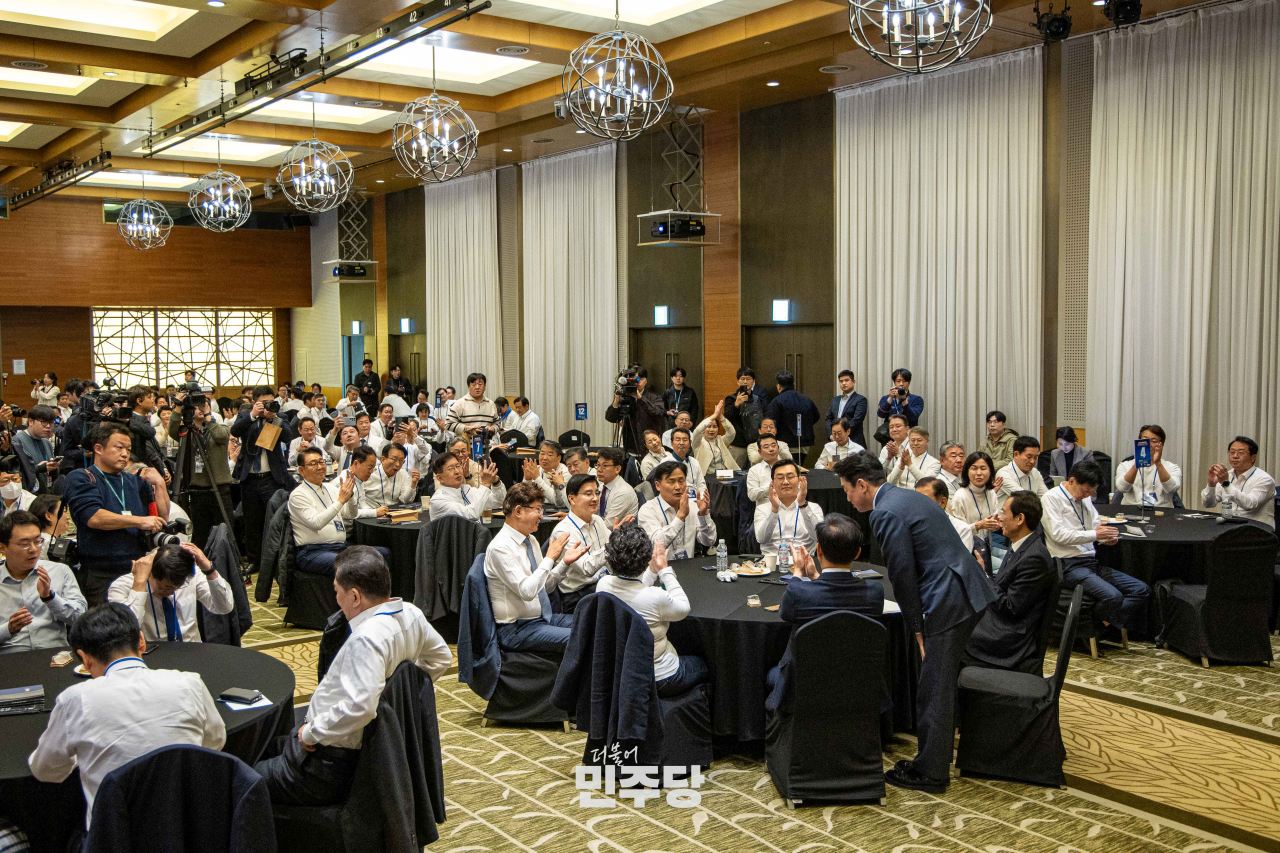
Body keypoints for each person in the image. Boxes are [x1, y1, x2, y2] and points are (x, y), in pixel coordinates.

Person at [834, 452, 994, 793]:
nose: (847, 498)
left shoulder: (884, 512)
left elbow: (902, 573)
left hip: (948, 599)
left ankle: (931, 772)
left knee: (934, 686)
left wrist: (916, 627)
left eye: (847, 490)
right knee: (940, 681)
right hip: (965, 588)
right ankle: (937, 757)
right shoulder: (906, 496)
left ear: (861, 485)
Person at [255, 546, 451, 806]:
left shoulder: (366, 638)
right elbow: (442, 658)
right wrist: (399, 697)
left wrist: (312, 733)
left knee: (243, 778)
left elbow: (361, 707)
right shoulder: (411, 613)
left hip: (327, 765)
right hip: (347, 746)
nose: (336, 599)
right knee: (266, 745)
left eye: (337, 591)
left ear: (355, 596)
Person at [29, 604, 226, 830]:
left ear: (85, 659)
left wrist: (80, 755)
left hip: (115, 836)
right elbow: (215, 742)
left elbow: (45, 770)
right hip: (191, 827)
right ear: (141, 641)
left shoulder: (75, 699)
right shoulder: (190, 682)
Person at [764, 513, 883, 711]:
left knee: (770, 673)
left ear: (818, 550)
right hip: (858, 683)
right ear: (857, 553)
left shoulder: (799, 593)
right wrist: (816, 576)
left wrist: (798, 573)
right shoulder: (874, 592)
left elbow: (785, 612)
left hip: (804, 684)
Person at [62, 424, 170, 604]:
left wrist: (159, 484)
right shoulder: (82, 477)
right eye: (119, 447)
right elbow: (94, 517)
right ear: (98, 448)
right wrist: (139, 521)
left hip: (136, 568)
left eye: (128, 449)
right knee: (108, 620)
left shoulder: (135, 481)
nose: (125, 454)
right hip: (101, 572)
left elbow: (161, 518)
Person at [597, 526, 706, 696]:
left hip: (620, 673)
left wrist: (653, 571)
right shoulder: (656, 597)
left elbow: (633, 588)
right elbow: (684, 608)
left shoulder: (603, 585)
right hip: (660, 677)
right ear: (646, 557)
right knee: (704, 664)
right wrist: (664, 570)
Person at [1043, 462, 1149, 632]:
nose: (1088, 495)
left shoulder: (1085, 499)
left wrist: (1106, 539)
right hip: (1068, 565)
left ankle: (1099, 623)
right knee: (1113, 597)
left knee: (1141, 590)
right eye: (1085, 491)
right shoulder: (1051, 498)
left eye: (1092, 492)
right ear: (1072, 481)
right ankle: (1093, 628)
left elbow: (1095, 525)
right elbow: (1058, 535)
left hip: (1091, 563)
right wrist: (1095, 535)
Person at [965, 491, 1057, 674]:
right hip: (999, 621)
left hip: (1010, 637)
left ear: (1019, 519)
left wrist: (983, 575)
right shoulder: (1020, 545)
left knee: (951, 638)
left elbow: (1011, 608)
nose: (999, 517)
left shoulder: (1034, 557)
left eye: (1003, 512)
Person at [485, 482, 581, 651]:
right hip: (517, 629)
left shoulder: (530, 540)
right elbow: (527, 592)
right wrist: (549, 558)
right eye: (538, 509)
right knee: (582, 638)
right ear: (518, 511)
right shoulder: (500, 547)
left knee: (594, 624)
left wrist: (565, 563)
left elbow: (544, 587)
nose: (541, 516)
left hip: (542, 617)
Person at [106, 543, 234, 644]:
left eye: (178, 587)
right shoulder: (122, 586)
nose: (172, 592)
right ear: (151, 573)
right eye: (166, 587)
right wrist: (139, 583)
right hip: (152, 657)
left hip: (192, 651)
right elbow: (125, 632)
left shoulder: (190, 576)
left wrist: (209, 569)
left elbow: (224, 607)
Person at [0, 510, 86, 653]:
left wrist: (50, 598)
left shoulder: (60, 571)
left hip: (54, 654)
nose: (33, 549)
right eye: (24, 544)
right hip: (9, 657)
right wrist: (8, 629)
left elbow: (81, 618)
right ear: (3, 548)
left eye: (38, 541)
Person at [230, 386, 293, 572]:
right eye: (264, 402)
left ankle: (275, 561)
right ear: (254, 402)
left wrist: (272, 418)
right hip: (249, 478)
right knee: (251, 521)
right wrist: (253, 415)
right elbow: (235, 430)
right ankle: (254, 560)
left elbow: (288, 436)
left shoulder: (279, 416)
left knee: (274, 520)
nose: (268, 405)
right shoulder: (245, 415)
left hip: (271, 478)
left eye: (271, 402)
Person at [167, 394, 233, 548]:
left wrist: (208, 416)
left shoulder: (219, 427)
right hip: (197, 488)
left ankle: (226, 558)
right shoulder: (187, 431)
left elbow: (221, 436)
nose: (200, 409)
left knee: (225, 529)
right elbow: (172, 430)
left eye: (203, 405)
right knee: (200, 531)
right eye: (196, 406)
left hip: (219, 486)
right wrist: (178, 407)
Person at [290, 447, 361, 575]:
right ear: (301, 470)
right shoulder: (298, 495)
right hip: (313, 551)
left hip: (340, 547)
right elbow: (316, 523)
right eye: (313, 463)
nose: (319, 467)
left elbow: (351, 514)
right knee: (352, 565)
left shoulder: (330, 488)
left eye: (321, 462)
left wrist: (350, 497)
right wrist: (340, 501)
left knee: (381, 553)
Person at [548, 474, 615, 611]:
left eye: (597, 493)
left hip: (602, 583)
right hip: (578, 595)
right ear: (572, 499)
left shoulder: (597, 520)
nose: (595, 498)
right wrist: (615, 543)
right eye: (588, 494)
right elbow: (587, 569)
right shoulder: (563, 532)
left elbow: (612, 551)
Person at [637, 461, 715, 560]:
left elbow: (709, 541)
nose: (678, 487)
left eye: (681, 481)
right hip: (660, 568)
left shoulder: (692, 505)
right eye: (671, 481)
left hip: (688, 566)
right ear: (658, 485)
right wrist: (680, 517)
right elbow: (656, 544)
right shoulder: (648, 510)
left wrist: (703, 515)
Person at [1201, 435, 1275, 528]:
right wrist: (1211, 485)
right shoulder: (1227, 475)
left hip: (1257, 529)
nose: (1235, 456)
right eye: (1232, 452)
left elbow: (1250, 504)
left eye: (1241, 453)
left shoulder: (1264, 479)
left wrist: (1226, 484)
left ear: (1253, 457)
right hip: (1230, 527)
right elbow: (1208, 504)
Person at [754, 460, 823, 557]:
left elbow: (819, 537)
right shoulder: (762, 509)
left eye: (790, 477)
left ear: (800, 480)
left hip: (805, 561)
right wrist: (774, 510)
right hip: (773, 561)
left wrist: (802, 504)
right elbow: (761, 539)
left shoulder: (813, 508)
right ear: (773, 483)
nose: (785, 482)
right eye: (780, 478)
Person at [1114, 424, 1182, 508]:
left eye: (1154, 441)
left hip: (1161, 511)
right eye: (1144, 440)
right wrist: (1137, 463)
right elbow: (1122, 488)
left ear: (1161, 445)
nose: (1148, 444)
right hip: (1131, 511)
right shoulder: (1125, 465)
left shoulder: (1172, 467)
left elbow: (1172, 489)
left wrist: (1158, 463)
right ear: (1138, 442)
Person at [605, 366, 666, 456]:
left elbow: (659, 413)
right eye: (633, 380)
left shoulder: (654, 397)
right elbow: (611, 418)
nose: (637, 382)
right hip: (630, 447)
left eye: (640, 379)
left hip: (649, 447)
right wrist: (616, 400)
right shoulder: (625, 398)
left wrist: (640, 398)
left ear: (646, 381)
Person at [428, 452, 503, 521]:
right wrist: (485, 484)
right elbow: (470, 515)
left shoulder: (467, 489)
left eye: (458, 466)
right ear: (440, 478)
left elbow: (497, 501)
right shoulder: (438, 500)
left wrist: (495, 481)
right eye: (450, 469)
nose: (457, 471)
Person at [947, 451, 1002, 544]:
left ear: (990, 471)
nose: (979, 473)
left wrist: (996, 524)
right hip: (966, 546)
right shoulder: (960, 496)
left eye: (983, 468)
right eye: (974, 468)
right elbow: (958, 531)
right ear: (967, 471)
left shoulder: (991, 493)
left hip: (988, 545)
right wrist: (978, 525)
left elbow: (994, 523)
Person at [766, 370, 821, 459]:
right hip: (805, 442)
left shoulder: (777, 401)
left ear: (778, 386)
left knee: (787, 466)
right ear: (793, 384)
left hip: (786, 442)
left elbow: (770, 422)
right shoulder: (806, 399)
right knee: (798, 465)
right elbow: (816, 416)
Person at [722, 367, 768, 466]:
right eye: (742, 379)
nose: (745, 382)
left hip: (755, 443)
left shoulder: (758, 399)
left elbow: (764, 417)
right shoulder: (731, 398)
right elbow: (727, 418)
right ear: (738, 382)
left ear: (753, 381)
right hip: (738, 443)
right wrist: (736, 405)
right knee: (735, 470)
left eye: (748, 379)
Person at [915, 477, 974, 552]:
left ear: (943, 502)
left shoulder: (962, 530)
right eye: (915, 499)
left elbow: (961, 559)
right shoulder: (910, 526)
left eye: (924, 500)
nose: (918, 504)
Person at [11, 405, 58, 493]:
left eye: (51, 422)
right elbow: (15, 474)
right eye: (44, 422)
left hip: (46, 492)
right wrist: (38, 469)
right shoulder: (17, 442)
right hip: (27, 495)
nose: (48, 426)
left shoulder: (46, 442)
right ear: (31, 421)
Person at [593, 448, 638, 527]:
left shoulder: (624, 492)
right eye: (598, 465)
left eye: (605, 466)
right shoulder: (601, 486)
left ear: (617, 469)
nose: (599, 470)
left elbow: (608, 525)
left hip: (617, 533)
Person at [447, 373, 499, 441]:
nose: (477, 387)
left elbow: (497, 423)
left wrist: (493, 428)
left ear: (485, 387)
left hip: (487, 445)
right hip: (466, 446)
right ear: (468, 387)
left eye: (480, 384)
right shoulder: (459, 403)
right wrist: (466, 428)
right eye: (473, 384)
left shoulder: (491, 404)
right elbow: (448, 424)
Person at [691, 400, 738, 474]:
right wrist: (714, 415)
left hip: (725, 474)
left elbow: (732, 433)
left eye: (715, 427)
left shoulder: (721, 440)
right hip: (707, 476)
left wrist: (721, 417)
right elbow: (697, 431)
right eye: (709, 426)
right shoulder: (698, 442)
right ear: (704, 428)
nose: (711, 430)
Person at [364, 443, 418, 508]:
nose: (398, 464)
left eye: (401, 461)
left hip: (395, 511)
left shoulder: (403, 474)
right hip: (372, 511)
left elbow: (405, 500)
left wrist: (413, 484)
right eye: (394, 459)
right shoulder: (370, 474)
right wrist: (373, 512)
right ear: (383, 459)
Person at [826, 369, 868, 451]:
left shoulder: (861, 400)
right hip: (835, 442)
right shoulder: (835, 400)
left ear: (853, 382)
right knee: (834, 459)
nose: (844, 383)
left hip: (854, 441)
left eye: (846, 380)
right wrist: (831, 435)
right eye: (841, 381)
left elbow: (856, 420)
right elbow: (828, 418)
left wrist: (842, 433)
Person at [995, 435, 1048, 500]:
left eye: (1035, 457)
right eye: (1029, 457)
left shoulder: (1035, 472)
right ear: (1016, 454)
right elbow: (1023, 499)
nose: (1032, 461)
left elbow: (1046, 497)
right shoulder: (1003, 474)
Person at [522, 440, 570, 509]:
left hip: (557, 510)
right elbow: (524, 497)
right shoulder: (536, 469)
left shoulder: (565, 472)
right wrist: (527, 479)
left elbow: (558, 502)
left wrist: (537, 478)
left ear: (559, 458)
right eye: (542, 454)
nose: (544, 458)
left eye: (550, 455)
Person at [875, 368, 924, 434]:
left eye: (904, 381)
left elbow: (913, 418)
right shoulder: (886, 398)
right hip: (890, 435)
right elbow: (881, 415)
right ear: (894, 382)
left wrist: (904, 401)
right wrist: (890, 398)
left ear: (909, 382)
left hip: (908, 434)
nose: (901, 384)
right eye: (898, 381)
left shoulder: (917, 399)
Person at [746, 434, 785, 504]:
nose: (771, 449)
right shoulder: (754, 470)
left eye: (774, 445)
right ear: (759, 452)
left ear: (778, 448)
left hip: (787, 506)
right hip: (765, 508)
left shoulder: (788, 467)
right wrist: (771, 487)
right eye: (766, 447)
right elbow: (752, 495)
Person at [668, 428, 706, 497]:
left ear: (690, 443)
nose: (681, 443)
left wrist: (702, 497)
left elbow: (701, 484)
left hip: (696, 499)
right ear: (672, 443)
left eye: (685, 440)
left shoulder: (694, 461)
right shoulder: (666, 463)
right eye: (678, 440)